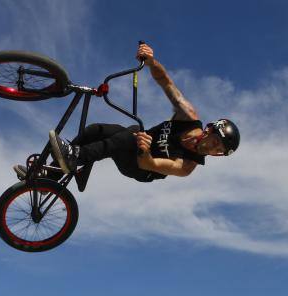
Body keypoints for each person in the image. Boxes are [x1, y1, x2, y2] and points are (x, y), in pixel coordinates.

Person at [41, 42, 240, 189]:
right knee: (95, 130)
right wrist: (151, 62)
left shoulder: (187, 166)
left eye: (218, 151)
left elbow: (149, 164)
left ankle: (76, 157)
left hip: (139, 167)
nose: (212, 149)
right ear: (209, 129)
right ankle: (49, 178)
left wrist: (145, 151)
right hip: (133, 142)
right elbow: (166, 82)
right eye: (216, 142)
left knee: (133, 134)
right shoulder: (187, 116)